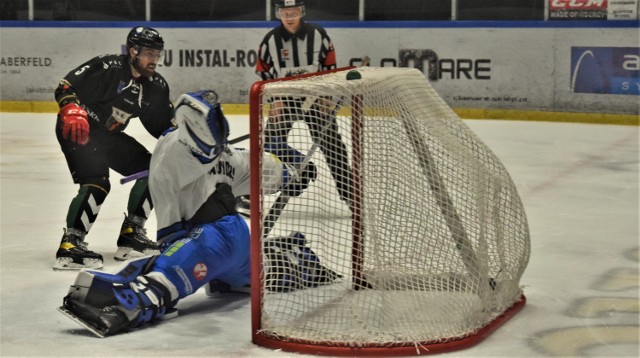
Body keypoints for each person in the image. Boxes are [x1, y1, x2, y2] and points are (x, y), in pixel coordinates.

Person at [58, 90, 338, 337]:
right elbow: (246, 158)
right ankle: (284, 260)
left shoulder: (218, 153)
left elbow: (258, 165)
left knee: (162, 279)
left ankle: (135, 299)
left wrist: (291, 173)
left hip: (208, 241)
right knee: (256, 268)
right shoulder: (177, 151)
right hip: (228, 244)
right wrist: (287, 168)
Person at [53, 26, 174, 270]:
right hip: (80, 129)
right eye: (149, 53)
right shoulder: (107, 67)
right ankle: (70, 244)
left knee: (154, 170)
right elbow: (66, 86)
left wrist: (186, 137)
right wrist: (70, 107)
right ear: (133, 51)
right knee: (97, 180)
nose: (154, 60)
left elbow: (163, 126)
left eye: (157, 54)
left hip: (108, 136)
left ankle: (132, 233)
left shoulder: (155, 86)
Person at [239, 0, 353, 214]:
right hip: (284, 99)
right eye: (284, 13)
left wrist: (326, 96)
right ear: (278, 14)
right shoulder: (270, 40)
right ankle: (250, 195)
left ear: (301, 12)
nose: (289, 17)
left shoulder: (318, 35)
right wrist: (274, 99)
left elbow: (329, 66)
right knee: (269, 145)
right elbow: (263, 71)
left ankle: (350, 198)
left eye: (293, 12)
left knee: (333, 148)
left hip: (314, 98)